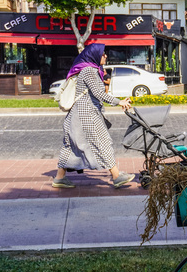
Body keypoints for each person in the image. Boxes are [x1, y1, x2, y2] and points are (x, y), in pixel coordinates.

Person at [52, 43, 135, 189]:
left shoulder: (89, 70)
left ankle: (59, 178)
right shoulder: (89, 71)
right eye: (103, 53)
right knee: (103, 142)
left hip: (77, 115)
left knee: (70, 146)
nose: (106, 56)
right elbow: (99, 93)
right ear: (95, 55)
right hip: (87, 116)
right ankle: (116, 176)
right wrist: (119, 102)